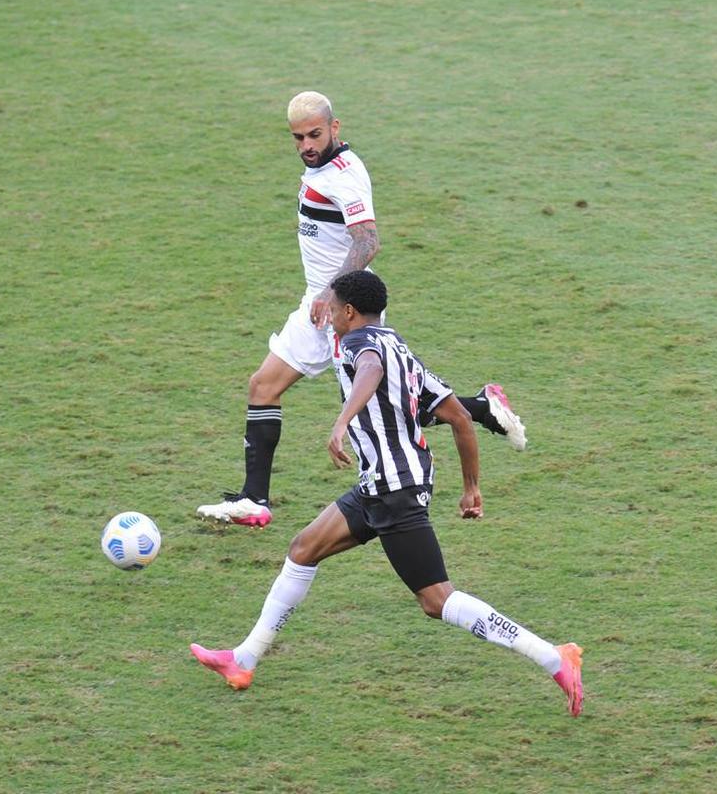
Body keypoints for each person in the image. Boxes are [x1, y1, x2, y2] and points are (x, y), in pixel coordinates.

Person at [190, 271, 583, 717]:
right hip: (379, 485)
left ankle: (555, 657)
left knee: (437, 600)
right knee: (302, 550)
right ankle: (244, 660)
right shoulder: (402, 349)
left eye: (334, 309)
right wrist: (471, 488)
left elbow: (371, 370)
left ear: (350, 312)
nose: (330, 316)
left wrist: (342, 420)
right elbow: (460, 417)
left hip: (396, 491)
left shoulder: (361, 346)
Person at [196, 91, 526, 529]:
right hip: (318, 305)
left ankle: (479, 410)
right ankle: (254, 499)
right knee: (263, 386)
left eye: (315, 134)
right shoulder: (321, 168)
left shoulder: (345, 176)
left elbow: (368, 240)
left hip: (344, 311)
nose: (306, 146)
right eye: (298, 138)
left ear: (336, 128)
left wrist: (333, 294)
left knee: (383, 410)